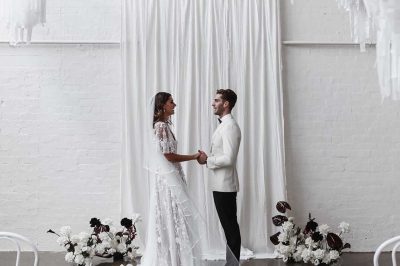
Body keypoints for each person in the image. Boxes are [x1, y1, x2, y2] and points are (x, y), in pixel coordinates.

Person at [141, 92, 203, 266]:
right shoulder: (161, 126)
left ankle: (175, 259)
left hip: (171, 176)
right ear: (162, 106)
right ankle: (173, 261)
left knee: (175, 216)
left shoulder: (164, 126)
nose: (174, 105)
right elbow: (167, 156)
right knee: (172, 215)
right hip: (168, 180)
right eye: (171, 102)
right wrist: (193, 156)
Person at [198, 89, 242, 265]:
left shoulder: (230, 126)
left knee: (230, 228)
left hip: (225, 186)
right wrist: (207, 159)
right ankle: (231, 263)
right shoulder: (224, 124)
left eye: (216, 100)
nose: (212, 103)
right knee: (229, 228)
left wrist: (208, 159)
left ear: (226, 104)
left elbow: (230, 158)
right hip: (220, 185)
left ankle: (232, 264)